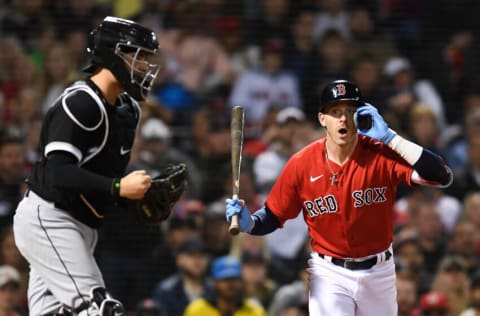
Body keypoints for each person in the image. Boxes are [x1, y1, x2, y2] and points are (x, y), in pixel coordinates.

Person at [226, 79, 453, 315]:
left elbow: (441, 175)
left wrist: (390, 138)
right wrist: (251, 223)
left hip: (379, 271)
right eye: (335, 112)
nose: (343, 119)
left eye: (350, 111)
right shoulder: (301, 164)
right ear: (322, 119)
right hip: (329, 272)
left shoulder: (381, 153)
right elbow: (274, 214)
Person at [12, 16, 162, 315]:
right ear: (112, 55)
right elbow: (57, 171)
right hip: (50, 219)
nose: (145, 66)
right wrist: (119, 188)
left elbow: (101, 178)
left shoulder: (127, 110)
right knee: (100, 309)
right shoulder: (80, 103)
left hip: (82, 227)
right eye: (139, 56)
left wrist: (139, 198)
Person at [183, 256, 266, 316]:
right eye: (224, 279)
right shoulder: (196, 311)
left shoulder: (255, 311)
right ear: (214, 281)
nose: (230, 284)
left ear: (241, 281)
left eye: (234, 279)